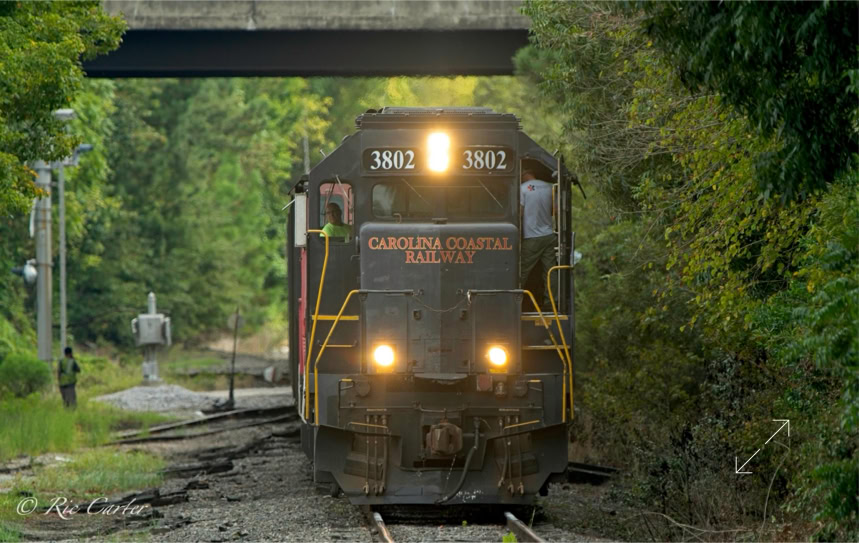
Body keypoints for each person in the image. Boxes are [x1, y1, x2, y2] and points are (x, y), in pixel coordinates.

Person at [519, 168, 557, 309]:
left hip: (532, 237)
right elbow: (555, 210)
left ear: (525, 174)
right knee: (550, 271)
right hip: (549, 235)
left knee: (521, 271)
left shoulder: (523, 188)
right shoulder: (549, 187)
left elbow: (520, 213)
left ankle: (515, 301)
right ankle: (551, 303)